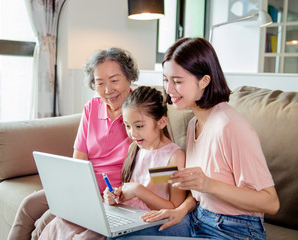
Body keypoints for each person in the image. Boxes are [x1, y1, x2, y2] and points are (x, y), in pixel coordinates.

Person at [112, 38, 280, 240]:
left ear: (204, 81)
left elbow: (271, 203)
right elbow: (199, 192)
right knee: (118, 235)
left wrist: (209, 185)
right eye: (166, 79)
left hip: (234, 230)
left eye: (178, 81)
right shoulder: (194, 124)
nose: (169, 89)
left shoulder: (231, 126)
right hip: (197, 218)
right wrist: (180, 210)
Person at [7, 47, 139, 240]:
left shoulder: (140, 112)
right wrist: (74, 189)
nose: (108, 90)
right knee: (29, 204)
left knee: (46, 221)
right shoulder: (92, 108)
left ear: (129, 78)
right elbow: (79, 158)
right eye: (100, 83)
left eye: (114, 80)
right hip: (82, 189)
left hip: (111, 194)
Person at [38, 86, 188, 239]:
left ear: (161, 122)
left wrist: (138, 190)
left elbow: (174, 207)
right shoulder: (135, 148)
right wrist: (114, 195)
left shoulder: (173, 157)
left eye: (139, 126)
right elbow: (128, 190)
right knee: (59, 224)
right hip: (125, 213)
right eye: (127, 126)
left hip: (148, 220)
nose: (132, 133)